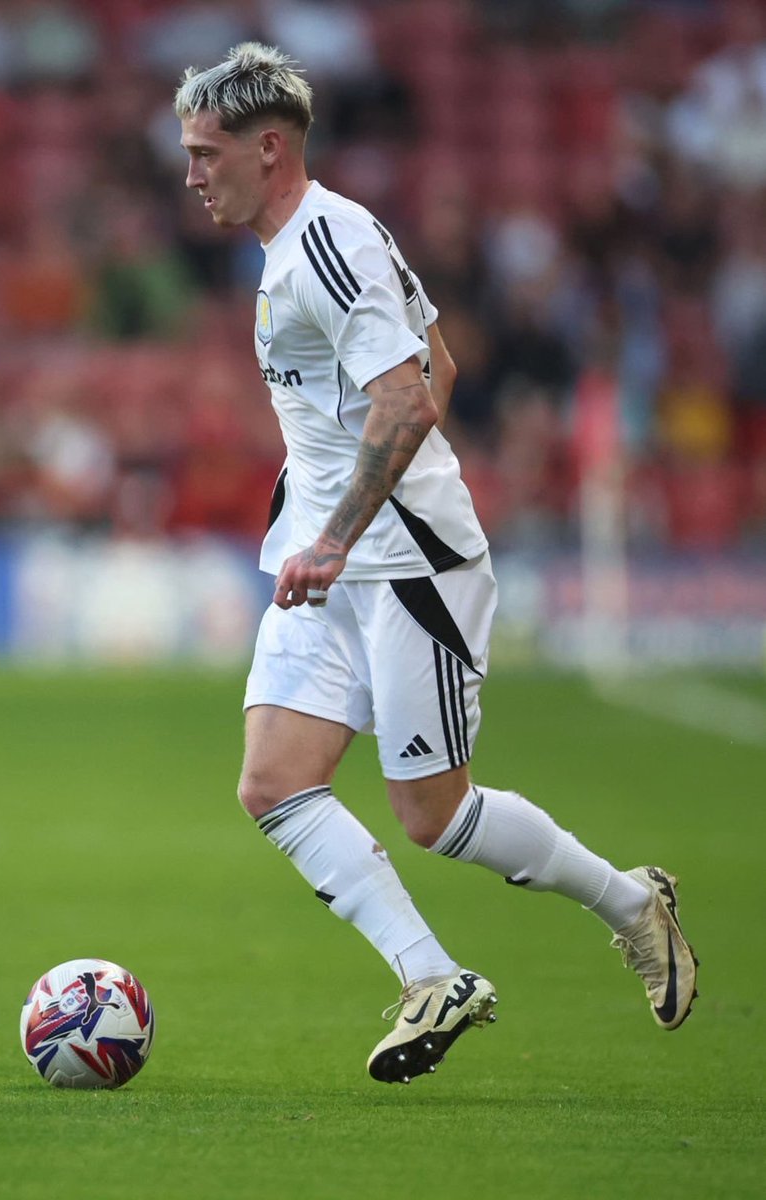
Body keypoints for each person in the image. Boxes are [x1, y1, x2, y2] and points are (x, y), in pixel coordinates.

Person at [174, 44, 699, 1084]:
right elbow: (439, 365)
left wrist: (346, 533)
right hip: (328, 563)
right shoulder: (298, 247)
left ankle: (632, 902)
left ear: (268, 148)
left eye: (205, 152)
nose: (192, 173)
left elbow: (410, 395)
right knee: (273, 784)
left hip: (405, 567)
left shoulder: (330, 243)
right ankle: (432, 977)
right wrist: (328, 531)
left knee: (434, 814)